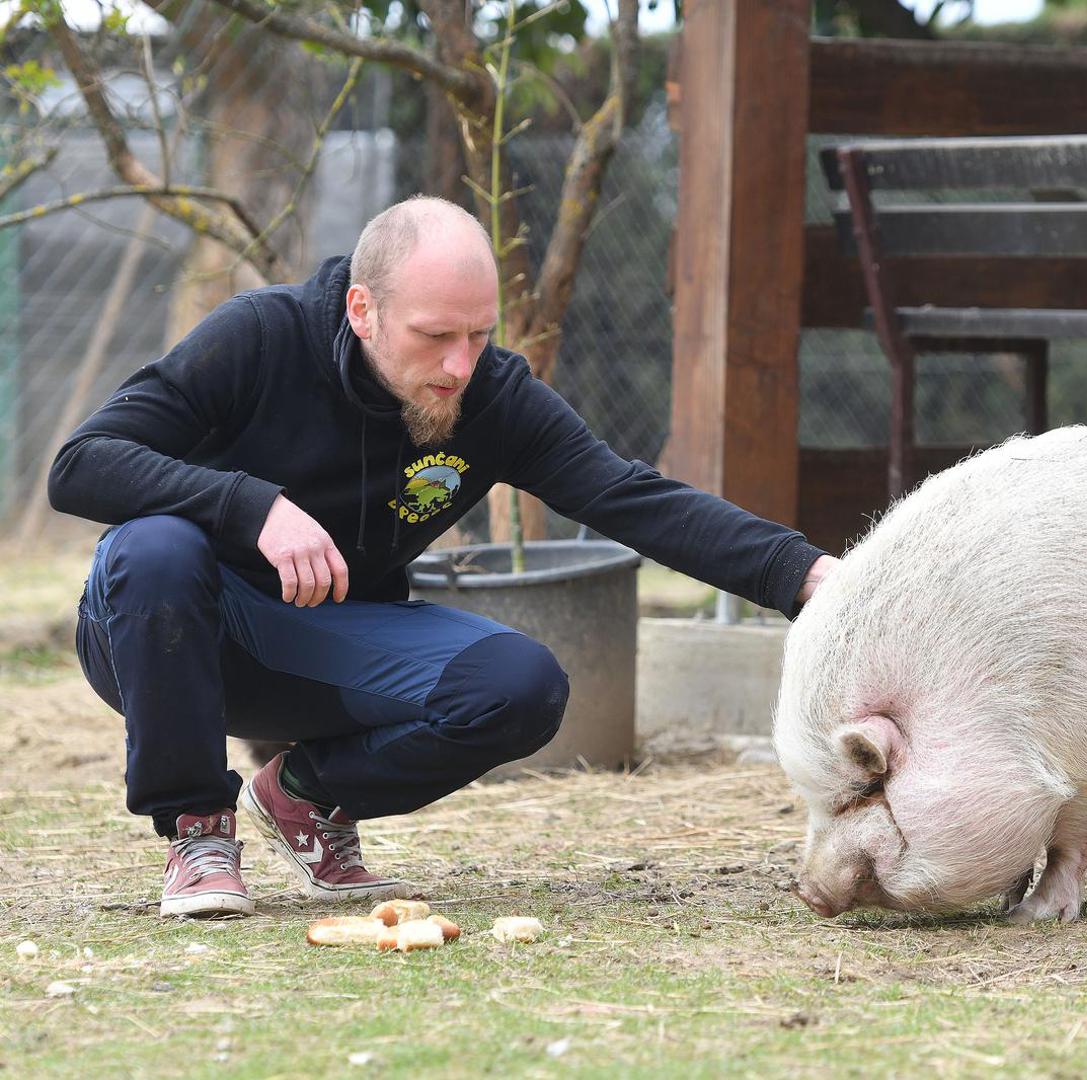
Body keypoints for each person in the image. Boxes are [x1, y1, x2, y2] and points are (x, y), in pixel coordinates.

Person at [48, 195, 838, 918]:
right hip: (161, 636)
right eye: (435, 336)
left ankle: (301, 798)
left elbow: (628, 497)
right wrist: (250, 505)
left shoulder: (492, 398)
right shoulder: (259, 337)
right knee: (153, 546)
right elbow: (82, 462)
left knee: (520, 687)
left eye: (479, 334)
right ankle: (198, 832)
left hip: (322, 645)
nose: (461, 364)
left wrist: (804, 577)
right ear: (363, 310)